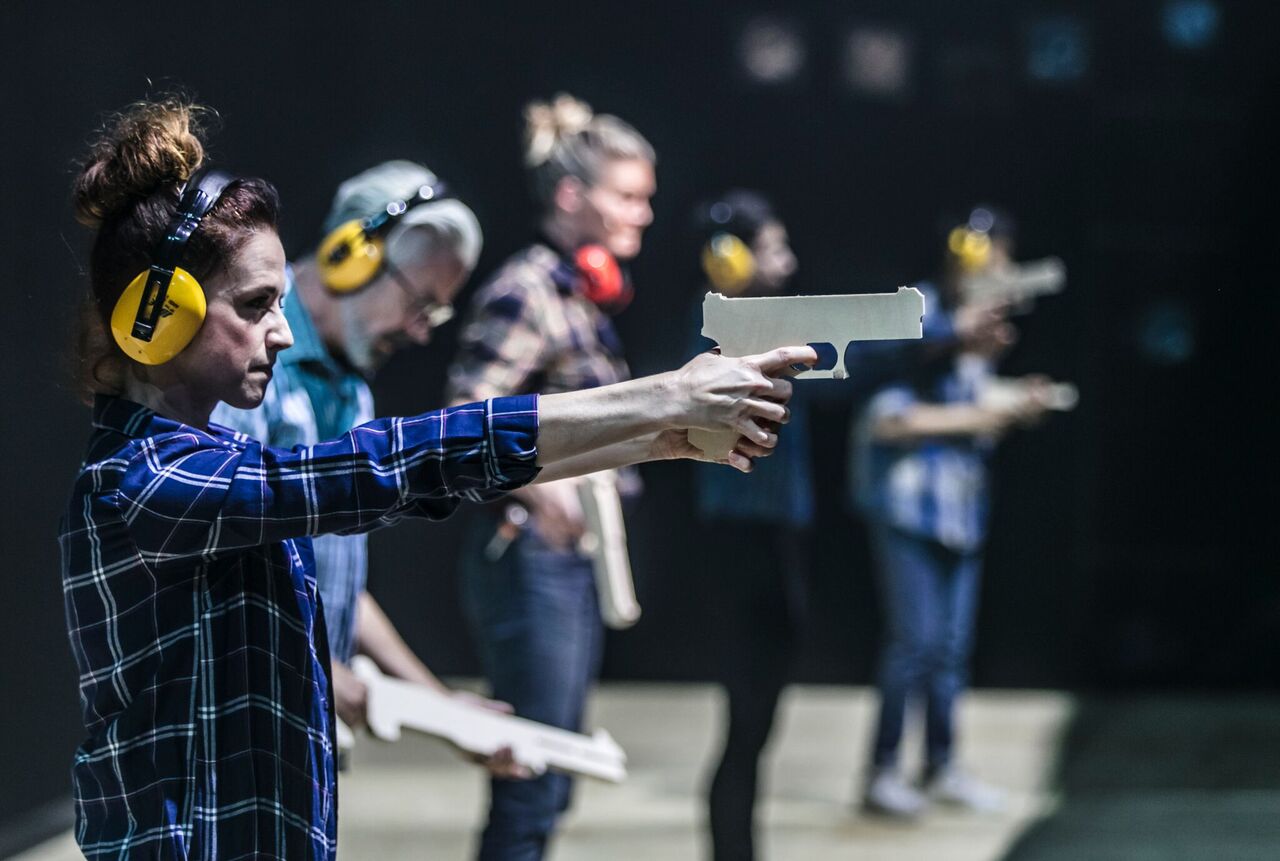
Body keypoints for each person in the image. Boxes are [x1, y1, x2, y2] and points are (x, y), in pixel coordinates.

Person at [60, 96, 811, 860]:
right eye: (255, 305)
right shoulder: (143, 481)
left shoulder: (204, 458)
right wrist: (658, 403)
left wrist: (657, 434)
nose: (281, 331)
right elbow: (388, 465)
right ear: (156, 317)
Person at [211, 160, 522, 773]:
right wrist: (319, 667)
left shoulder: (351, 392)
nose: (420, 332)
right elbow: (214, 557)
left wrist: (440, 705)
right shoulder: (246, 362)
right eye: (420, 304)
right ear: (349, 257)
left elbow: (336, 578)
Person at [444, 92, 658, 860]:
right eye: (626, 196)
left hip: (562, 561)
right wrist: (542, 493)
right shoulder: (527, 289)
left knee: (551, 779)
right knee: (532, 778)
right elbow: (464, 412)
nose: (642, 214)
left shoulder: (575, 295)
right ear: (571, 196)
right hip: (527, 555)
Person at [853, 206, 1055, 819]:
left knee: (950, 650)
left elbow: (965, 400)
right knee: (913, 644)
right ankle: (883, 771)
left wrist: (1013, 397)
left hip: (961, 505)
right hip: (909, 503)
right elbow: (888, 417)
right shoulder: (918, 315)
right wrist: (982, 410)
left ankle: (941, 765)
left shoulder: (975, 330)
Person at [687, 191, 808, 861]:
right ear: (729, 259)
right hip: (740, 537)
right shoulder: (715, 334)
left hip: (771, 532)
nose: (787, 263)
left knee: (759, 719)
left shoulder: (764, 327)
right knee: (746, 716)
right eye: (773, 248)